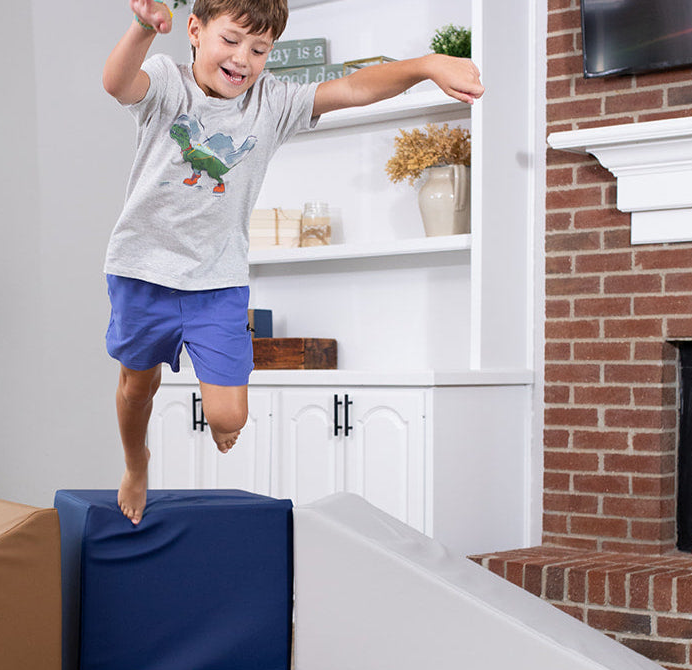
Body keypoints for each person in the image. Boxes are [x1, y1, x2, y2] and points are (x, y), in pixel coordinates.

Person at [103, 0, 483, 524]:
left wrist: (425, 66)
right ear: (195, 30)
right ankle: (136, 461)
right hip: (142, 273)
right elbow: (118, 83)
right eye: (231, 40)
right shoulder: (168, 84)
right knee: (136, 386)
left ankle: (216, 419)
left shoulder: (272, 102)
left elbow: (353, 88)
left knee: (228, 415)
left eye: (259, 49)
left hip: (216, 281)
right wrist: (142, 30)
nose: (243, 59)